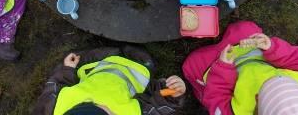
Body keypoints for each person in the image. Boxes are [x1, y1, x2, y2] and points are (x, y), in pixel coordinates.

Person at [183, 21, 298, 114]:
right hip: (256, 56)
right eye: (280, 78)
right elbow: (293, 58)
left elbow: (217, 98)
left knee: (191, 65)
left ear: (258, 102)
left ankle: (199, 89)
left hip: (224, 77)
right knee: (247, 28)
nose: (273, 78)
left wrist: (222, 68)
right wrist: (271, 47)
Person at [34, 46, 186, 114]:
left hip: (95, 71)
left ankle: (111, 53)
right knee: (145, 65)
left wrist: (67, 69)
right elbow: (156, 110)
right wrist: (173, 95)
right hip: (132, 78)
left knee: (82, 56)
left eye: (91, 104)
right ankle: (135, 59)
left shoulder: (52, 107)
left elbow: (54, 85)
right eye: (108, 112)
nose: (102, 104)